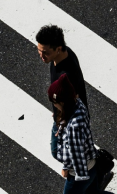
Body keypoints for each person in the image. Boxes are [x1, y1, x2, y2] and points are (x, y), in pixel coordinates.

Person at [36, 25, 88, 159]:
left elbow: (72, 104)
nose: (41, 56)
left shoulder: (66, 75)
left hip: (68, 120)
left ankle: (94, 169)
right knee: (82, 148)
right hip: (63, 114)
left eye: (45, 52)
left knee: (58, 151)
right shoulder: (64, 54)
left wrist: (61, 118)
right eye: (39, 50)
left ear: (58, 49)